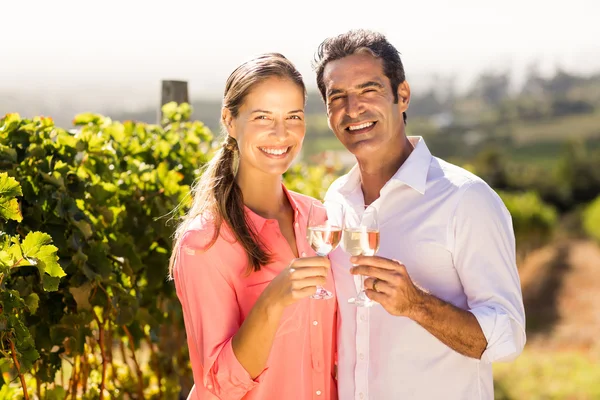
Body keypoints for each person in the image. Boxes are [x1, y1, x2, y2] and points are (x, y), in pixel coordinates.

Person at [313, 29, 526, 399]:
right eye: (338, 97)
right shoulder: (335, 200)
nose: (353, 108)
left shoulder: (466, 199)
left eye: (369, 90)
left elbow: (507, 337)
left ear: (403, 96)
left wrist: (417, 305)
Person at [170, 53, 337, 400]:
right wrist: (271, 304)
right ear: (230, 121)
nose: (281, 133)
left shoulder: (319, 220)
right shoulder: (204, 243)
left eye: (294, 116)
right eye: (263, 117)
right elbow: (216, 386)